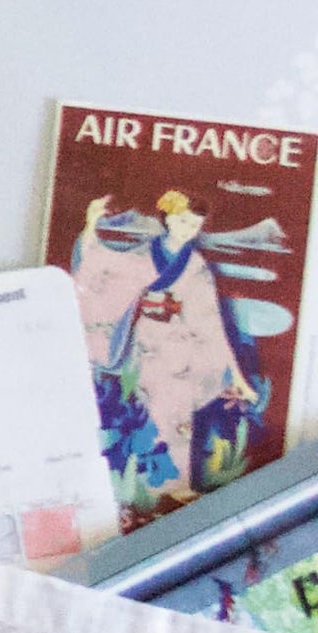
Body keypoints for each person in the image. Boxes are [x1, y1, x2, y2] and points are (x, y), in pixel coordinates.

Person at [71, 189, 259, 509]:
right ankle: (141, 487)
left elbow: (211, 324)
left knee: (180, 419)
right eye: (183, 221)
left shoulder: (196, 266)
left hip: (182, 355)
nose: (188, 230)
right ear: (168, 219)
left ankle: (175, 485)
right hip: (146, 348)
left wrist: (237, 376)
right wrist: (90, 225)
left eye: (194, 225)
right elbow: (99, 263)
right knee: (150, 415)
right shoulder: (142, 256)